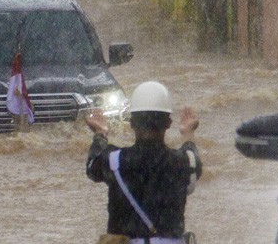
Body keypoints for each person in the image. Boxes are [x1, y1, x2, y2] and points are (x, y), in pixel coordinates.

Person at [85, 81, 202, 244]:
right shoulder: (183, 162)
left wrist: (100, 134)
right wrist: (188, 133)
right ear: (168, 123)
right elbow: (192, 157)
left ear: (131, 123)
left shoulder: (114, 160)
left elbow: (92, 167)